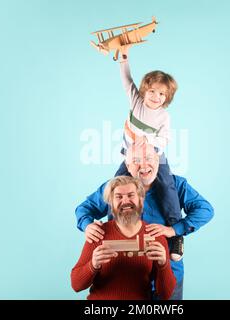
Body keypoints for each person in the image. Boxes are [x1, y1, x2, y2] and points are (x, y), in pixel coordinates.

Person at [75, 143, 214, 300]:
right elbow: (84, 209)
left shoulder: (176, 185)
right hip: (129, 275)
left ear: (157, 160)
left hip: (168, 270)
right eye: (136, 160)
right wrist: (87, 226)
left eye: (148, 158)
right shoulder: (116, 189)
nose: (144, 165)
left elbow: (205, 209)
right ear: (127, 165)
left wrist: (174, 229)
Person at [115, 45, 184, 261]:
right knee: (117, 185)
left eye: (162, 94)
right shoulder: (136, 101)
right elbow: (127, 80)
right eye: (152, 91)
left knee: (168, 186)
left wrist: (149, 145)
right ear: (145, 90)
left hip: (155, 156)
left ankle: (176, 236)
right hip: (132, 157)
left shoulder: (164, 117)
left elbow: (165, 138)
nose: (156, 96)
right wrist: (123, 58)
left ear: (167, 98)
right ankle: (113, 228)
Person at [71, 176, 176, 300]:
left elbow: (166, 294)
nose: (125, 201)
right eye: (119, 197)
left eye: (131, 195)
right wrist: (92, 265)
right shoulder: (98, 234)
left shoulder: (155, 236)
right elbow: (76, 285)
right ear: (111, 204)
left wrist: (163, 264)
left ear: (141, 201)